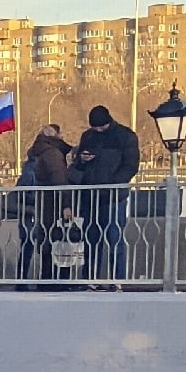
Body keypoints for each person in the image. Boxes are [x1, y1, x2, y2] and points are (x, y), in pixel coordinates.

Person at [70, 104, 141, 281]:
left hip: (113, 197)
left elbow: (131, 166)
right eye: (95, 127)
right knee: (91, 241)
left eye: (101, 126)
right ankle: (90, 279)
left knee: (115, 240)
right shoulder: (88, 136)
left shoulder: (125, 136)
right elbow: (78, 165)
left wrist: (112, 184)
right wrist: (82, 160)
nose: (98, 130)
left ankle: (117, 280)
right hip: (91, 197)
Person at [14, 125, 70, 286]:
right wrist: (66, 204)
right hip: (48, 206)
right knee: (54, 242)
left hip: (32, 208)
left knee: (30, 245)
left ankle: (22, 281)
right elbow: (59, 180)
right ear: (56, 135)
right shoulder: (52, 154)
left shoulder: (35, 154)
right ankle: (51, 281)